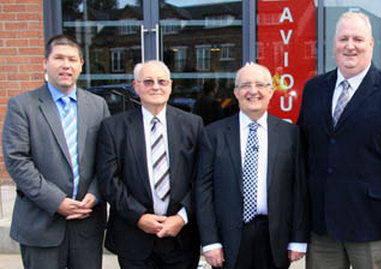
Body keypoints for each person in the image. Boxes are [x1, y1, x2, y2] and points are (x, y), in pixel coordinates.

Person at [297, 12, 381, 268]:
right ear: (334, 43)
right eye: (343, 38)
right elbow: (303, 153)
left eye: (358, 38)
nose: (350, 46)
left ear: (371, 44)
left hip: (374, 226)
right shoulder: (314, 89)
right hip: (323, 225)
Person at [2, 34, 110, 269]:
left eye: (72, 59)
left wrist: (96, 194)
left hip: (87, 222)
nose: (65, 65)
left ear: (81, 65)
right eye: (58, 58)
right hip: (41, 223)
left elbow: (108, 158)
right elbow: (17, 160)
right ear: (45, 63)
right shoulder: (22, 106)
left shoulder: (97, 105)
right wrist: (57, 201)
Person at [196, 63, 309, 269]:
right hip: (229, 239)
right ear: (236, 92)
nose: (253, 91)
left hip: (275, 237)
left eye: (260, 85)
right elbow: (203, 191)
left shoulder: (290, 134)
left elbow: (299, 189)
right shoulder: (213, 134)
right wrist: (210, 241)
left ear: (270, 91)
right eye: (246, 85)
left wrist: (298, 238)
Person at [96, 60, 204, 268]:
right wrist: (139, 216)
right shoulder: (113, 127)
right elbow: (109, 180)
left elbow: (202, 178)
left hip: (181, 238)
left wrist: (182, 217)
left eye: (162, 81)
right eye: (148, 81)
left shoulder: (192, 124)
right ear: (136, 87)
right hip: (134, 237)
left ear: (170, 86)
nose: (156, 86)